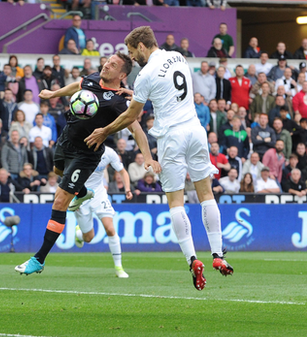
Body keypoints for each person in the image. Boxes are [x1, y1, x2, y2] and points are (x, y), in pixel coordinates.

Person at [86, 26, 234, 290]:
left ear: (142, 46)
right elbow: (169, 92)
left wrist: (105, 130)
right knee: (206, 195)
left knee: (176, 202)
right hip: (196, 131)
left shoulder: (145, 74)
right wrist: (136, 95)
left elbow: (131, 116)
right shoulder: (179, 57)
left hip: (172, 138)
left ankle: (192, 260)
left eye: (133, 52)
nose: (134, 57)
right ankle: (217, 254)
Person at [15, 52, 157, 275]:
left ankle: (39, 258)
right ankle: (82, 193)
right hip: (66, 140)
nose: (106, 65)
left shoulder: (119, 102)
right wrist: (54, 93)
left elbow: (136, 128)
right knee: (57, 171)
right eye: (107, 61)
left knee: (60, 200)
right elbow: (76, 86)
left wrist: (147, 157)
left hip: (87, 154)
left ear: (122, 74)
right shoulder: (92, 79)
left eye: (112, 65)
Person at [73, 146, 132, 278]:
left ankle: (119, 267)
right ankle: (79, 234)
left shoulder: (109, 153)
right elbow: (68, 175)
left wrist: (127, 188)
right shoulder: (79, 150)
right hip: (81, 195)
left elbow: (122, 171)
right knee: (89, 238)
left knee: (110, 229)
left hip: (99, 194)